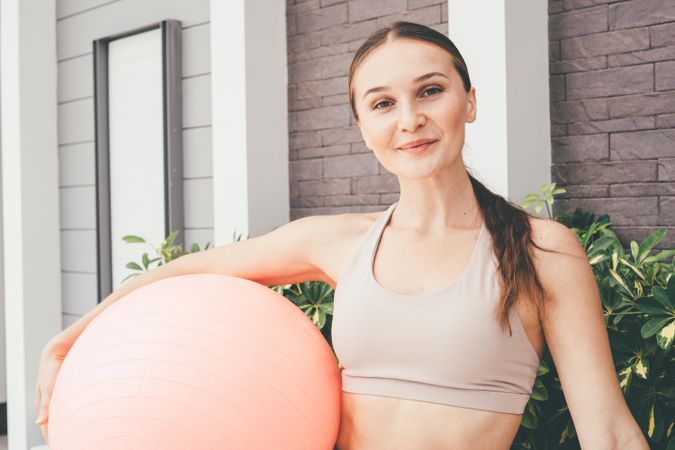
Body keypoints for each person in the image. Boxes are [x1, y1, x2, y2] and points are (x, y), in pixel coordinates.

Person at [36, 21, 649, 450]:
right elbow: (182, 274)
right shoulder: (336, 242)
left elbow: (610, 433)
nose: (409, 120)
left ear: (470, 102)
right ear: (362, 127)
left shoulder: (541, 251)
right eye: (382, 104)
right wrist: (70, 338)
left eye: (430, 91)